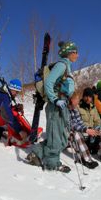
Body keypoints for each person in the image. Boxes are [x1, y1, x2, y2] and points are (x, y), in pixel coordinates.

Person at [26, 41, 78, 173]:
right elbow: (49, 82)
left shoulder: (67, 66)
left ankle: (35, 153)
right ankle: (52, 163)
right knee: (55, 135)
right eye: (75, 52)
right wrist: (55, 100)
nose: (77, 55)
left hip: (63, 103)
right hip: (56, 104)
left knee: (61, 137)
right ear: (69, 53)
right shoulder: (61, 65)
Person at [0, 79, 39, 147]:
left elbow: (5, 109)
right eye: (16, 92)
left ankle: (27, 131)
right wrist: (19, 130)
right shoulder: (3, 96)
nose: (17, 94)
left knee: (14, 112)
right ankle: (17, 135)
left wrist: (15, 107)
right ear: (12, 89)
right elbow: (7, 115)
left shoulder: (6, 94)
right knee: (12, 115)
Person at [66, 92, 99, 169]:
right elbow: (70, 125)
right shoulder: (66, 111)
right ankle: (85, 159)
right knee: (76, 134)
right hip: (65, 133)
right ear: (71, 100)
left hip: (74, 130)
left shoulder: (75, 110)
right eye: (76, 100)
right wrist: (85, 130)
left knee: (94, 131)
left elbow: (80, 122)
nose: (78, 101)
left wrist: (88, 129)